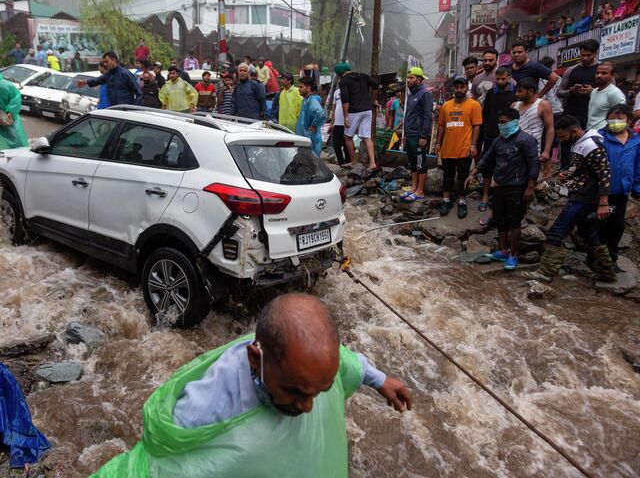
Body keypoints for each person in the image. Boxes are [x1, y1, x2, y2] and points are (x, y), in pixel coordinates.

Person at [93, 293, 412, 477]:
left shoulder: (308, 367)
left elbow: (343, 360)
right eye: (295, 391)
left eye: (319, 392)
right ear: (254, 360)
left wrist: (380, 380)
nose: (308, 407)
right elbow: (154, 467)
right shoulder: (207, 405)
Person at [523, 116, 616, 283]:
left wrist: (603, 202)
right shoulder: (580, 143)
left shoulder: (591, 145)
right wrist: (569, 175)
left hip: (584, 197)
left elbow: (605, 175)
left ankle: (546, 272)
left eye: (563, 136)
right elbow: (582, 168)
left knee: (557, 231)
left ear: (574, 131)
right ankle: (607, 270)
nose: (561, 140)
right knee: (588, 233)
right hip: (581, 193)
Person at [466, 108, 540, 270]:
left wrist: (530, 187)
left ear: (514, 122)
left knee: (514, 222)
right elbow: (487, 159)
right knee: (500, 220)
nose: (501, 125)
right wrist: (474, 172)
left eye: (504, 122)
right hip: (499, 186)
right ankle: (502, 250)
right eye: (499, 122)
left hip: (517, 188)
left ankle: (513, 254)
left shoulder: (526, 140)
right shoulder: (498, 141)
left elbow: (534, 164)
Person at [597, 104, 640, 268]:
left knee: (617, 226)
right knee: (600, 225)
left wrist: (637, 188)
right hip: (602, 191)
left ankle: (611, 258)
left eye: (619, 118)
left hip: (622, 191)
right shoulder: (600, 137)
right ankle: (597, 259)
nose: (615, 121)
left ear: (629, 121)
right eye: (612, 118)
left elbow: (637, 166)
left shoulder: (636, 140)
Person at [434, 76, 482, 219]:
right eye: (457, 87)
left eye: (462, 87)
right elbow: (441, 126)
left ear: (467, 88)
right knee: (447, 176)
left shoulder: (474, 105)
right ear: (453, 89)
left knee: (463, 176)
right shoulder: (446, 106)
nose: (459, 90)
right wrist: (437, 143)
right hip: (448, 148)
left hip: (465, 148)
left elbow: (477, 126)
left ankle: (462, 201)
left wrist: (473, 145)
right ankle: (446, 200)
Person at [479, 66, 517, 213]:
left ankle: (499, 199)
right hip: (491, 135)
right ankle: (485, 196)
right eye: (498, 79)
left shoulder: (514, 93)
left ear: (509, 77)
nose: (500, 81)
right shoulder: (490, 93)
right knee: (488, 168)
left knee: (506, 168)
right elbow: (486, 114)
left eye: (503, 79)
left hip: (509, 136)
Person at [337, 61, 379, 171]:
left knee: (347, 136)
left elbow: (345, 100)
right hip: (367, 110)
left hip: (354, 111)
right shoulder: (363, 76)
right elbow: (376, 86)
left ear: (340, 73)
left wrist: (346, 117)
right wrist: (372, 101)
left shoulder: (343, 81)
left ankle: (354, 161)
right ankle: (373, 163)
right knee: (366, 137)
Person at [401, 66, 433, 202]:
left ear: (419, 79)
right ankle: (414, 187)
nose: (408, 80)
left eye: (411, 77)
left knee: (420, 163)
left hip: (419, 135)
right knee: (412, 162)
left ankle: (420, 191)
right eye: (407, 78)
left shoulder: (425, 93)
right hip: (410, 134)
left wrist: (423, 136)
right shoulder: (411, 94)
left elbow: (427, 116)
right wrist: (405, 134)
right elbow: (408, 115)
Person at [512, 78, 555, 176]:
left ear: (531, 91)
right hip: (514, 149)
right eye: (516, 91)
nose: (516, 94)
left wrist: (546, 151)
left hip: (534, 150)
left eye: (520, 91)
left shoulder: (542, 105)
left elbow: (550, 129)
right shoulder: (514, 105)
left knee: (531, 179)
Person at [557, 39, 599, 130]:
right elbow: (559, 92)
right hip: (571, 116)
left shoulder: (602, 71)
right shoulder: (571, 70)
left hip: (594, 117)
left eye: (588, 55)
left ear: (595, 53)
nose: (585, 58)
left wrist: (593, 91)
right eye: (582, 55)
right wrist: (570, 92)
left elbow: (610, 91)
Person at [587, 62, 626, 130]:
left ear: (612, 75)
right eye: (597, 72)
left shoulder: (615, 93)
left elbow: (621, 118)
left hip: (604, 134)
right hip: (591, 132)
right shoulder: (594, 92)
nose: (599, 75)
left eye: (604, 73)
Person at [296, 77, 325, 156]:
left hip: (310, 140)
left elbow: (320, 113)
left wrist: (313, 125)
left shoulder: (312, 100)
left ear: (308, 88)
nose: (298, 89)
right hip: (305, 139)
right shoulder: (306, 100)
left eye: (301, 87)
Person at [329, 84, 351, 164]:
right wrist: (331, 124)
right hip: (337, 124)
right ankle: (341, 164)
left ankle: (348, 163)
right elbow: (334, 109)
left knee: (347, 146)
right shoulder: (336, 92)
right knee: (336, 146)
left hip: (346, 124)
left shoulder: (351, 92)